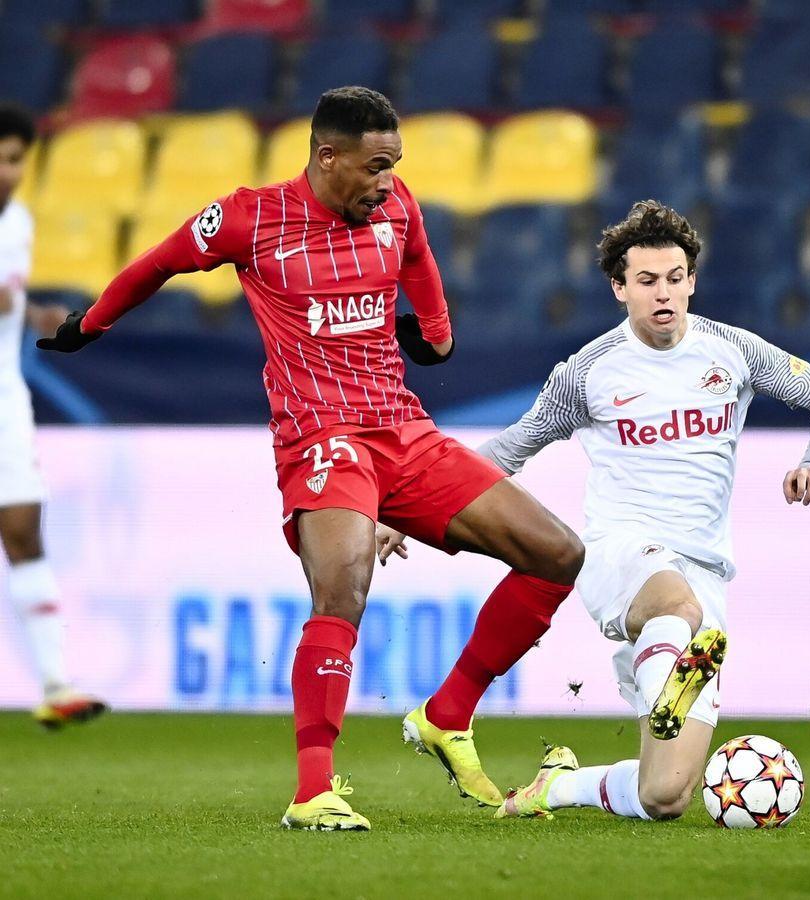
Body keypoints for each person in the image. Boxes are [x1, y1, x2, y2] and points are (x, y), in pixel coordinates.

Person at [37, 87, 583, 831]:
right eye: (375, 167)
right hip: (321, 437)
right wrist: (89, 325)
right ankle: (312, 790)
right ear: (328, 158)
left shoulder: (396, 206)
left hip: (404, 432)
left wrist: (437, 329)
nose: (388, 182)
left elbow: (417, 253)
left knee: (557, 553)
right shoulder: (248, 217)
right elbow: (158, 262)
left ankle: (446, 714)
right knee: (344, 586)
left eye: (395, 166)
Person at [399, 199, 810, 821]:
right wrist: (407, 507)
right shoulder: (590, 372)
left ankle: (560, 784)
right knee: (678, 608)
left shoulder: (734, 352)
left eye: (674, 279)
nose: (663, 294)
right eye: (646, 282)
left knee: (664, 794)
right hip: (621, 551)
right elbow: (511, 447)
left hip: (706, 572)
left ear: (692, 281)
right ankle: (671, 668)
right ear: (620, 288)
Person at [0, 104, 107, 729]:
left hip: (5, 397)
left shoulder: (17, 220)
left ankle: (55, 684)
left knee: (22, 527)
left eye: (15, 160)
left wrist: (32, 312)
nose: (6, 172)